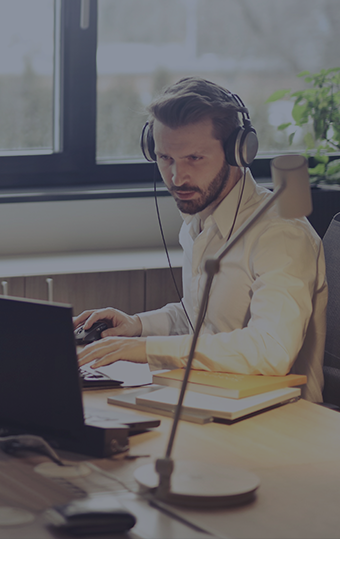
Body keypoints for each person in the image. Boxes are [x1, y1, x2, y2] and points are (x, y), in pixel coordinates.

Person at [75, 77, 327, 402]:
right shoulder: (199, 219)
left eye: (194, 158)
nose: (177, 178)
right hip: (213, 397)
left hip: (280, 419)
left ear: (238, 151)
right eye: (165, 159)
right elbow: (202, 321)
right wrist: (137, 326)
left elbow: (271, 351)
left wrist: (147, 349)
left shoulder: (281, 234)